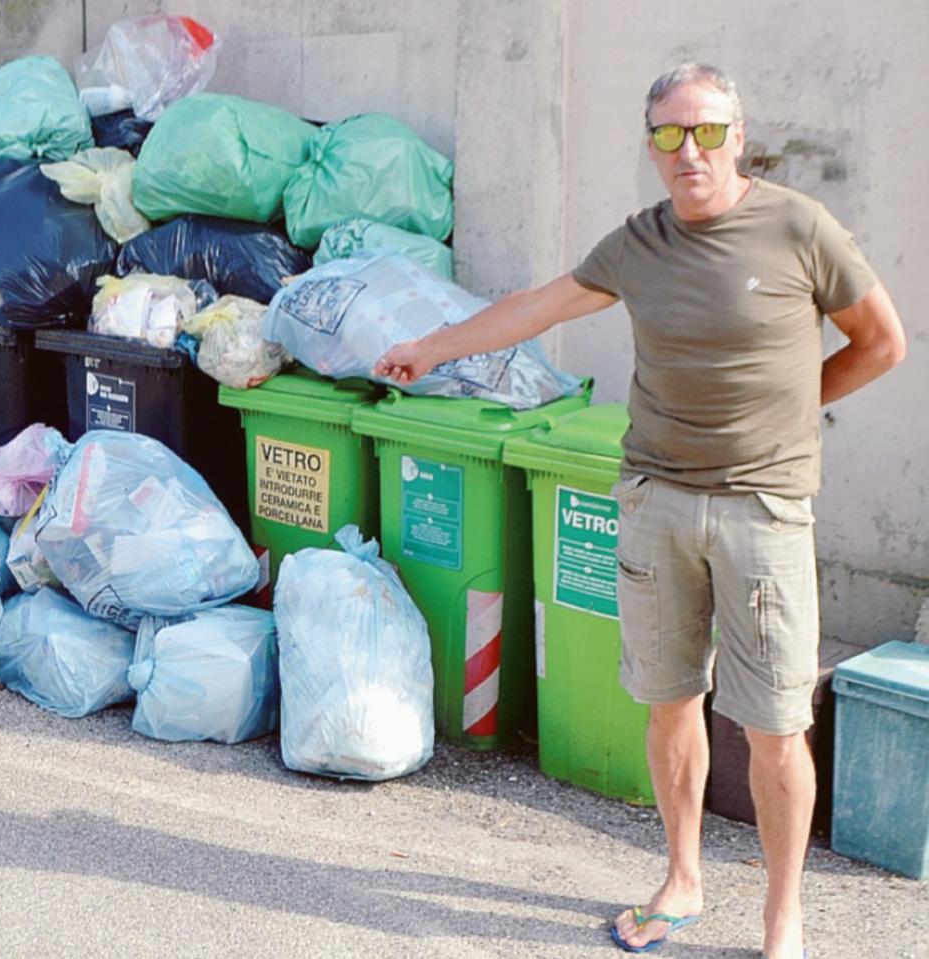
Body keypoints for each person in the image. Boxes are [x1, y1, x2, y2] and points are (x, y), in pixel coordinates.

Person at [374, 63, 906, 958]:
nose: (688, 150)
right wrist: (433, 348)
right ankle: (683, 877)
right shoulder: (639, 243)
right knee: (670, 703)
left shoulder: (798, 227)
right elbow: (538, 305)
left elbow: (881, 342)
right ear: (652, 145)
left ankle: (784, 913)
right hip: (656, 498)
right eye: (669, 134)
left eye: (705, 131)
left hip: (763, 509)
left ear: (739, 136)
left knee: (776, 725)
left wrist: (795, 405)